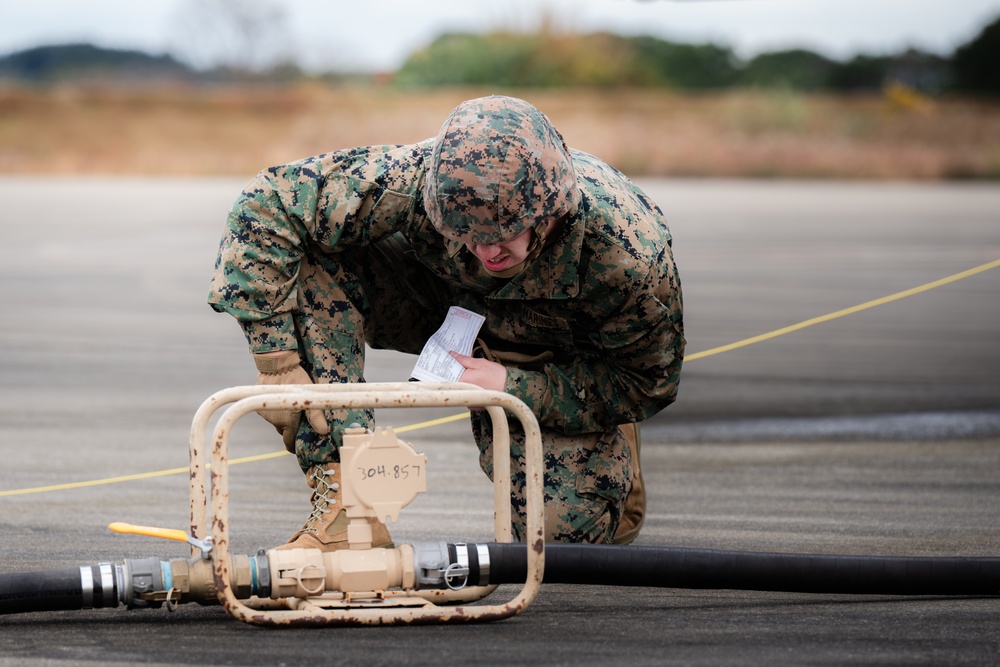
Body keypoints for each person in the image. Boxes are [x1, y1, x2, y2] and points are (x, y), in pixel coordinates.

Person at [208, 95, 684, 550]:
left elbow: (644, 384)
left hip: (550, 357)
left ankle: (613, 454)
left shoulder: (628, 257)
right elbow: (269, 204)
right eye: (466, 234)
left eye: (503, 235)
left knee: (560, 543)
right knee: (315, 256)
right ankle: (350, 507)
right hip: (445, 300)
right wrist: (276, 360)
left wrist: (512, 386)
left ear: (549, 211)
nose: (485, 251)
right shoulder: (419, 178)